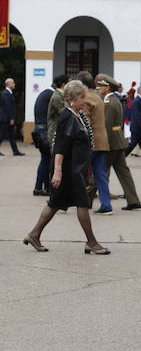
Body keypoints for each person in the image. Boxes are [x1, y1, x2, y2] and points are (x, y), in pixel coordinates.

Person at [23, 80, 110, 255]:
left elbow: (85, 145)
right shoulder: (67, 117)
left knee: (55, 203)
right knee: (81, 203)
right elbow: (60, 147)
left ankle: (34, 234)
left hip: (76, 169)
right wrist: (57, 171)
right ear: (71, 98)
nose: (84, 100)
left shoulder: (78, 116)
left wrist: (88, 169)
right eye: (81, 97)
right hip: (69, 171)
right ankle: (91, 242)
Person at [97, 75, 141, 211]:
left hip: (111, 142)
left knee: (100, 171)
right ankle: (133, 200)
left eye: (101, 86)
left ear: (107, 87)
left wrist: (103, 144)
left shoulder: (109, 102)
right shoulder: (114, 100)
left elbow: (107, 125)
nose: (99, 88)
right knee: (123, 172)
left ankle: (85, 199)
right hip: (118, 141)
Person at [77, 72, 112, 215]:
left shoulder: (85, 99)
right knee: (101, 174)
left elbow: (85, 123)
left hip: (90, 143)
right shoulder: (98, 97)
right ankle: (106, 204)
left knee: (77, 171)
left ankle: (63, 202)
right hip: (102, 142)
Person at [32, 79, 56, 195]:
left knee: (45, 159)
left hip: (39, 130)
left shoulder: (45, 93)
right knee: (46, 160)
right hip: (44, 132)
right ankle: (39, 187)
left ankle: (45, 187)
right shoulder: (51, 95)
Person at [125, 85, 141, 166]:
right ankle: (120, 157)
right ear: (139, 92)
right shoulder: (136, 101)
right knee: (132, 145)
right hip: (137, 128)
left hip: (140, 128)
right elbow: (137, 115)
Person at [0, 77, 23, 156]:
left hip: (8, 118)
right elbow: (8, 107)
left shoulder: (9, 93)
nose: (14, 84)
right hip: (6, 119)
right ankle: (15, 151)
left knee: (12, 136)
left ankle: (15, 151)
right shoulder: (6, 93)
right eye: (13, 83)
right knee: (2, 135)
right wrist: (11, 118)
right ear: (8, 84)